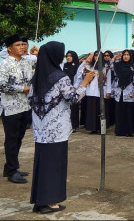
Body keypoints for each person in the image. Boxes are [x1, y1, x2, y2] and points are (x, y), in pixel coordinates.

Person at [29, 41, 94, 214]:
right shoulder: (60, 77)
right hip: (56, 129)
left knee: (43, 164)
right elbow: (72, 98)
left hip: (41, 129)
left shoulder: (36, 77)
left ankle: (40, 200)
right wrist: (85, 83)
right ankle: (49, 202)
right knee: (55, 166)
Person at [0, 34, 38, 184]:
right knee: (11, 139)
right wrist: (22, 88)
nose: (23, 47)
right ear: (9, 48)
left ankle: (10, 167)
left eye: (24, 44)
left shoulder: (27, 61)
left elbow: (39, 64)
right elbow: (0, 86)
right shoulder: (5, 64)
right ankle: (12, 171)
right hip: (11, 108)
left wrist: (38, 54)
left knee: (19, 139)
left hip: (25, 106)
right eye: (18, 45)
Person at [74, 51, 111, 134]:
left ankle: (100, 129)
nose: (96, 57)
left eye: (98, 56)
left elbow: (108, 80)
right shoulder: (88, 67)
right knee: (92, 111)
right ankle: (92, 127)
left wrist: (108, 91)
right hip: (91, 92)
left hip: (101, 92)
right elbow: (79, 73)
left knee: (100, 111)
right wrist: (85, 61)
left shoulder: (105, 68)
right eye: (95, 55)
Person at [113, 49, 134, 136]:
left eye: (128, 55)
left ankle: (129, 131)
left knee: (129, 112)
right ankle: (120, 131)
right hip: (119, 91)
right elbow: (108, 66)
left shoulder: (133, 66)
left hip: (130, 90)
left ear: (130, 56)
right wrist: (114, 58)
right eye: (124, 54)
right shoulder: (117, 65)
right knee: (120, 112)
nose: (126, 56)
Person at [63, 50, 80, 131]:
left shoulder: (77, 65)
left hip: (73, 88)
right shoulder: (65, 65)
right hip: (65, 88)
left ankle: (74, 125)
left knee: (74, 108)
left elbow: (78, 78)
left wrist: (75, 87)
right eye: (67, 56)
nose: (68, 58)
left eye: (70, 56)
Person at [103, 50, 116, 128]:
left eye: (108, 55)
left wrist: (112, 60)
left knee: (111, 105)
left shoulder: (113, 64)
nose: (106, 57)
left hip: (113, 85)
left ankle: (112, 121)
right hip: (105, 87)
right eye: (105, 55)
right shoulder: (101, 64)